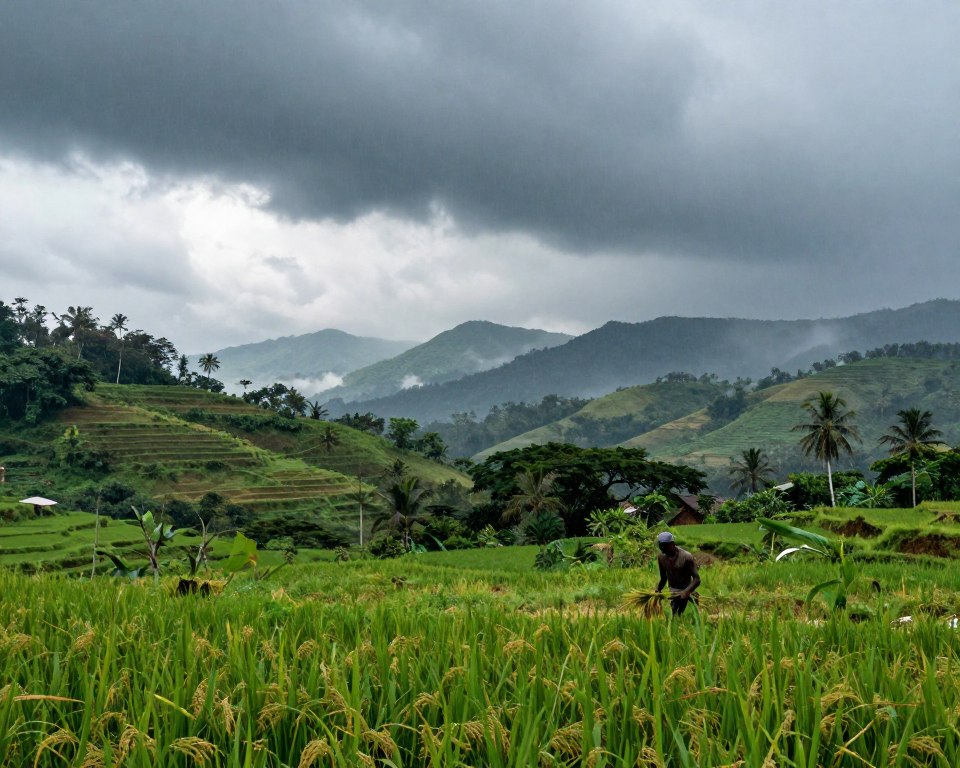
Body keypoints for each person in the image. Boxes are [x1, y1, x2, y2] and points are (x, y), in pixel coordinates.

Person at [654, 531, 700, 615]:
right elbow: (664, 578)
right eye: (660, 545)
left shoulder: (686, 557)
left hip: (687, 589)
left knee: (695, 614)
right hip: (674, 591)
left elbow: (697, 579)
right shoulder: (661, 557)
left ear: (672, 544)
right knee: (675, 613)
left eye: (664, 545)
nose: (662, 548)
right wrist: (658, 589)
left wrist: (686, 592)